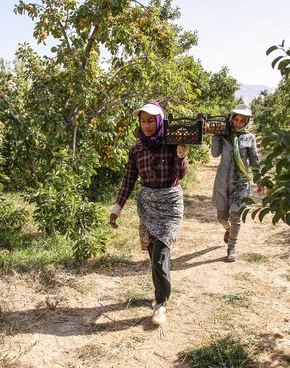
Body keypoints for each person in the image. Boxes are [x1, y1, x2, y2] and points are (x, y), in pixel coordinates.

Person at [109, 102, 188, 326]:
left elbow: (180, 175)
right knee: (153, 256)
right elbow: (129, 180)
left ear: (160, 122)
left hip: (170, 205)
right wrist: (117, 208)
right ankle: (160, 290)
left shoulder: (171, 144)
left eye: (151, 120)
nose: (147, 125)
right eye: (143, 120)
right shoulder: (136, 150)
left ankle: (161, 302)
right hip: (148, 205)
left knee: (160, 256)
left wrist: (181, 153)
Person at [206, 104, 265, 262]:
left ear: (246, 122)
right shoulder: (224, 135)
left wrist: (260, 181)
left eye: (242, 121)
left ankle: (231, 248)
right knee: (221, 217)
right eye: (236, 120)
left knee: (235, 215)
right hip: (222, 181)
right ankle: (229, 230)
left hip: (241, 182)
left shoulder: (249, 138)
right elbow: (215, 153)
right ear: (231, 119)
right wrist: (215, 134)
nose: (238, 123)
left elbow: (254, 161)